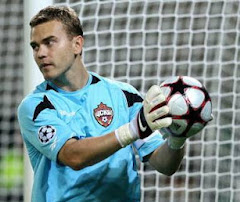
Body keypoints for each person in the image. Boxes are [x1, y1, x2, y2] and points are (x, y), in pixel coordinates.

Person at [17, 6, 191, 202]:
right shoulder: (36, 105)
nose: (40, 53)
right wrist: (132, 130)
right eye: (35, 46)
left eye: (49, 43)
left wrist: (178, 138)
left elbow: (165, 165)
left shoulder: (123, 95)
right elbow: (73, 156)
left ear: (77, 44)